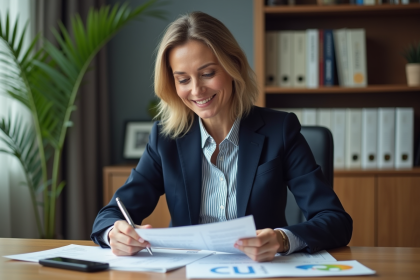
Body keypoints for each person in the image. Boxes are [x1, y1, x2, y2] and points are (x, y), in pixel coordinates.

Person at [91, 11, 352, 262]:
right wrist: (114, 234)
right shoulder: (165, 139)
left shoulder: (280, 129)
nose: (196, 90)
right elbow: (111, 213)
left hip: (258, 271)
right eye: (183, 80)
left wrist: (282, 240)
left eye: (207, 74)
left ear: (233, 66)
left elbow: (335, 220)